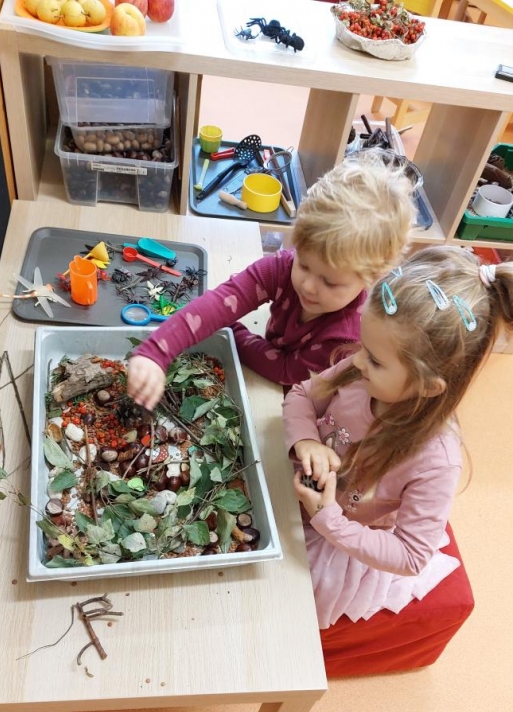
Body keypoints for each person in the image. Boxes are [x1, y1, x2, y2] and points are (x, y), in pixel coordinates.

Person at [283, 246, 513, 629]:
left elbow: (411, 556)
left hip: (343, 534)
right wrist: (306, 441)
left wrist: (328, 518)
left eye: (374, 360)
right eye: (364, 347)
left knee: (286, 599)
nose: (357, 360)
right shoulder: (361, 371)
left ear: (428, 386)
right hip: (294, 489)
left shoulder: (436, 460)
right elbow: (302, 395)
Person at [127, 155, 416, 410]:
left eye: (330, 282)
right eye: (304, 264)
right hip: (268, 359)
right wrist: (156, 352)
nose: (309, 286)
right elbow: (219, 302)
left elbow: (287, 372)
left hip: (300, 402)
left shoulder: (345, 337)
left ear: (370, 278)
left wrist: (234, 333)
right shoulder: (283, 266)